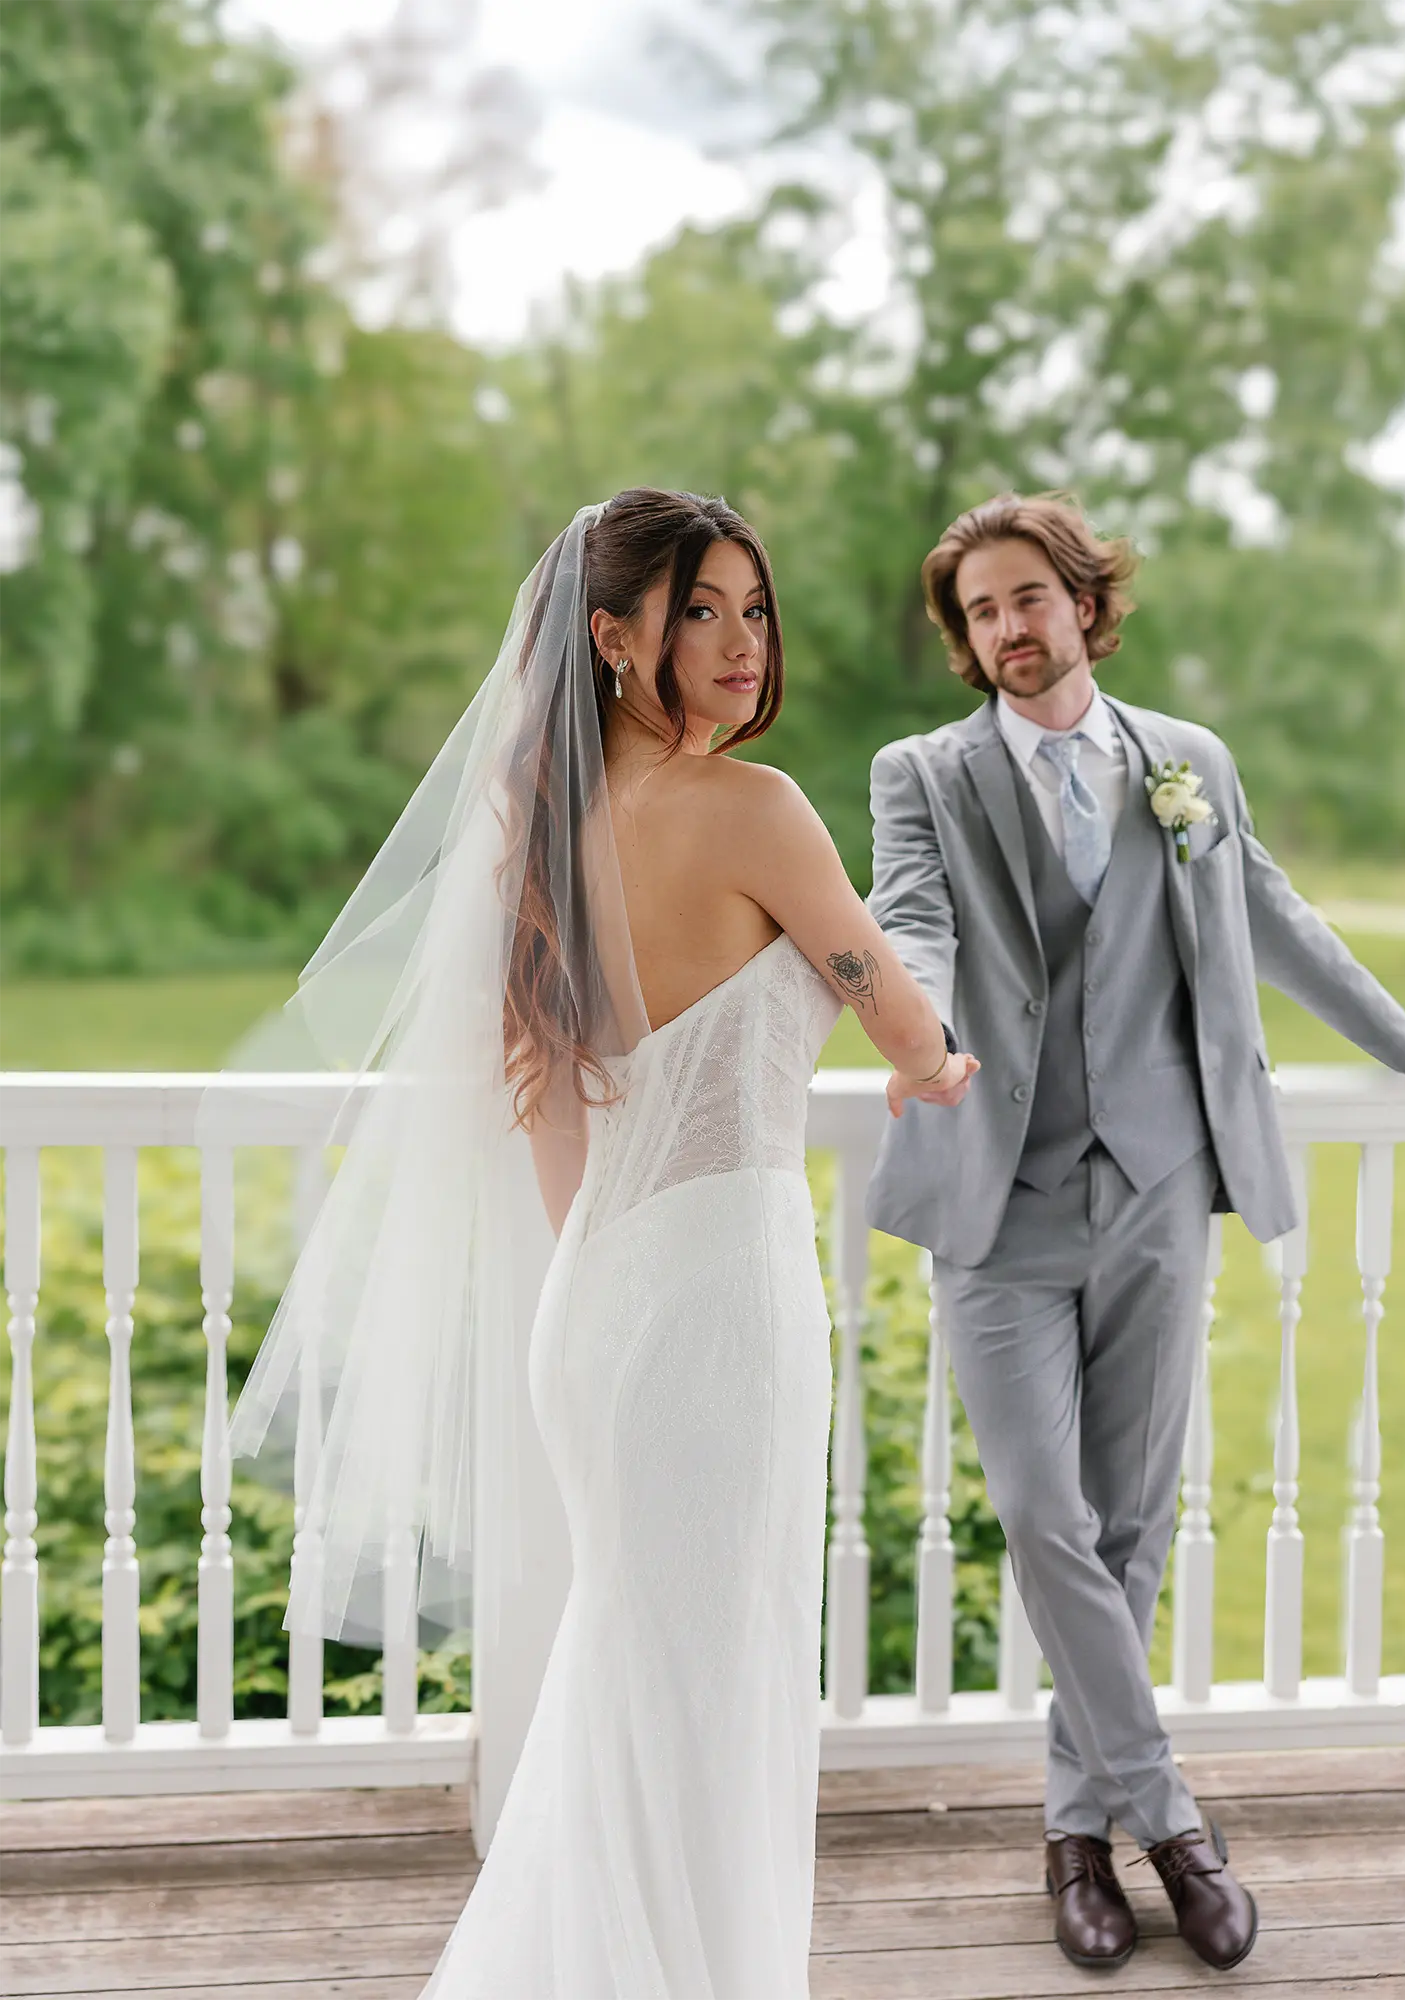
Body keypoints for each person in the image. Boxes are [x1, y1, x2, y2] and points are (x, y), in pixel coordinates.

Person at [229, 487, 977, 1999]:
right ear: (612, 636)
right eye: (700, 610)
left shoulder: (532, 836)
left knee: (632, 1673)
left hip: (600, 1303)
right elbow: (904, 1017)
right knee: (714, 1679)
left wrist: (620, 1282)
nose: (739, 643)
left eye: (753, 611)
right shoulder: (757, 811)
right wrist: (928, 1061)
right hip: (719, 1307)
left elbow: (554, 1120)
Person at [865, 490, 1405, 1975]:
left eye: (1025, 599)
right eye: (978, 613)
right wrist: (907, 1025)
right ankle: (1169, 1824)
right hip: (998, 1194)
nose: (1004, 631)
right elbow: (907, 920)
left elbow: (1275, 915)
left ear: (1083, 603)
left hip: (1163, 1189)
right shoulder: (921, 773)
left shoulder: (1188, 765)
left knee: (1128, 1526)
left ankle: (1071, 1838)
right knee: (1044, 1517)